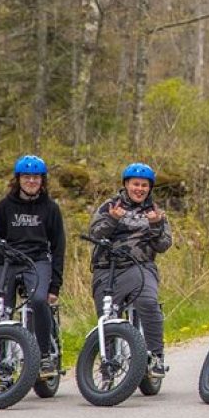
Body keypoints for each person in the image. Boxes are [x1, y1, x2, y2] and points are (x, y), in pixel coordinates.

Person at [0, 155, 66, 379]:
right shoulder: (5, 206)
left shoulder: (50, 208)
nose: (31, 181)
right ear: (18, 179)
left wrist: (54, 286)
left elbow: (58, 247)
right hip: (6, 262)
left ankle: (45, 356)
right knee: (1, 312)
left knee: (38, 300)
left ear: (42, 180)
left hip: (36, 262)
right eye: (26, 177)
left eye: (36, 177)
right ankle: (4, 371)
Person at [89, 162, 171, 378]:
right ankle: (109, 362)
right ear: (126, 184)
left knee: (148, 303)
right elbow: (95, 235)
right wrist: (113, 219)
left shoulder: (156, 212)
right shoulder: (109, 206)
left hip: (141, 267)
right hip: (107, 268)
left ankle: (155, 356)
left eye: (145, 185)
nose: (140, 189)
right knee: (107, 314)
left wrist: (155, 225)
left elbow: (163, 246)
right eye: (136, 184)